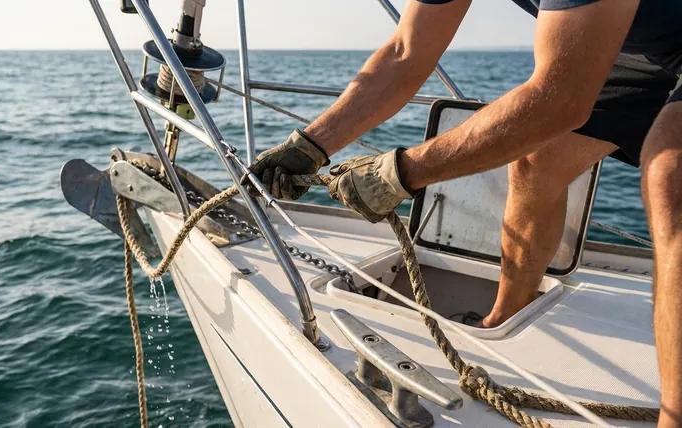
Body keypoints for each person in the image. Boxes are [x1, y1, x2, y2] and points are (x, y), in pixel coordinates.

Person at [248, 0, 682, 425]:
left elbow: (560, 100)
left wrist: (399, 175)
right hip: (640, 46)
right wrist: (310, 146)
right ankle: (505, 315)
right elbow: (405, 52)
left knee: (671, 176)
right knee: (538, 162)